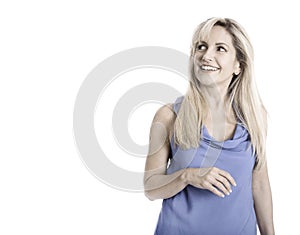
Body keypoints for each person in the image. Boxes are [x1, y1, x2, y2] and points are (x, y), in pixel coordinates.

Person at [144, 17, 275, 235]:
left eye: (220, 48)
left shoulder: (255, 117)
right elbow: (151, 187)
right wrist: (187, 175)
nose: (206, 56)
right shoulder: (168, 116)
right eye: (201, 47)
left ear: (238, 65)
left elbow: (259, 185)